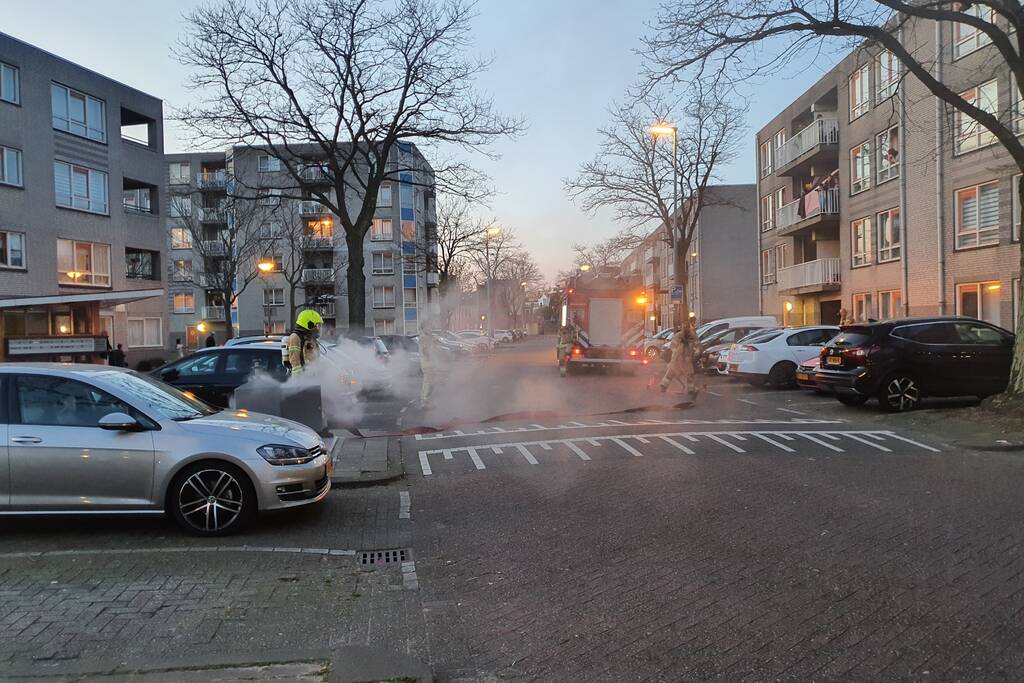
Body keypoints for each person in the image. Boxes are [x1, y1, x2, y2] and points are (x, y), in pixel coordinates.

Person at [658, 321, 699, 398]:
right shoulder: (678, 336)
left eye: (687, 327)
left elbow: (697, 345)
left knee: (689, 374)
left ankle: (690, 389)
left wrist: (697, 352)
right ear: (682, 328)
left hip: (687, 359)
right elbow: (672, 346)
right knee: (670, 373)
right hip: (677, 358)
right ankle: (663, 386)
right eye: (684, 327)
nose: (685, 329)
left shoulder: (693, 336)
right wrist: (675, 351)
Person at [284, 309, 323, 374]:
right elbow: (295, 363)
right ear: (309, 324)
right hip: (303, 380)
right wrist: (300, 382)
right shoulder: (295, 338)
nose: (318, 329)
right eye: (317, 326)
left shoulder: (310, 339)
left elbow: (316, 359)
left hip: (312, 378)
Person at [419, 329, 440, 404]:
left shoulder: (427, 338)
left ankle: (425, 400)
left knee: (428, 383)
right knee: (428, 383)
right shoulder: (424, 338)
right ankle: (425, 400)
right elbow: (425, 351)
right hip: (428, 365)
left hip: (429, 365)